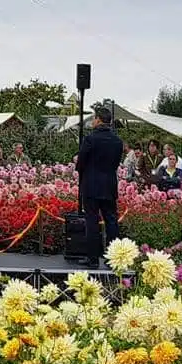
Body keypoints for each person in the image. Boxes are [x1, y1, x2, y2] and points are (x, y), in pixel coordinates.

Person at [77, 106, 123, 268]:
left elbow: (80, 163)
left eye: (94, 118)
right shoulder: (118, 141)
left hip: (91, 185)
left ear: (98, 119)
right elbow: (116, 163)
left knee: (92, 222)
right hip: (109, 185)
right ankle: (114, 259)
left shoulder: (90, 139)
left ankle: (93, 259)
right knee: (111, 221)